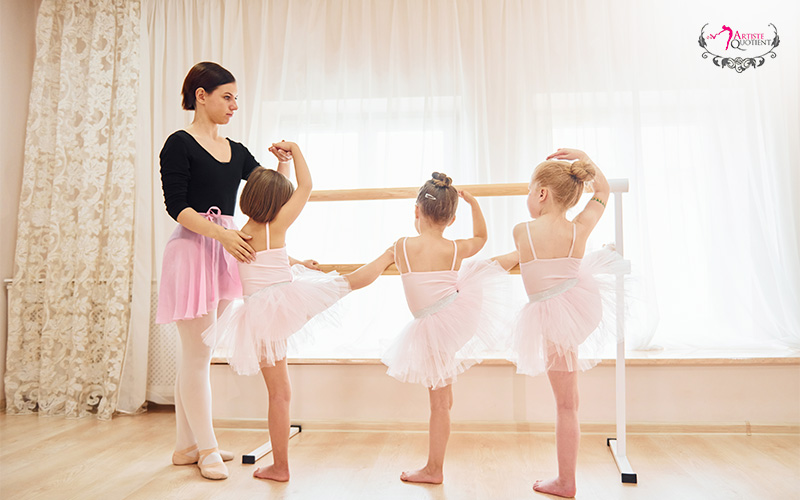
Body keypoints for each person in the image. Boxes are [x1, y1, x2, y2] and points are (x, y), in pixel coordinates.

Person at [157, 62, 313, 480]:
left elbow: (271, 194)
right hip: (194, 250)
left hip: (227, 250)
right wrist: (221, 235)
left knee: (200, 355)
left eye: (236, 98)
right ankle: (206, 448)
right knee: (197, 355)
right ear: (201, 96)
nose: (234, 105)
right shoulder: (179, 144)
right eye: (227, 97)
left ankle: (186, 446)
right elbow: (177, 206)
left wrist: (283, 163)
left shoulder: (237, 150)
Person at [202, 141, 394, 482]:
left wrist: (297, 261)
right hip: (285, 304)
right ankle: (388, 256)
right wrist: (295, 150)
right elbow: (306, 187)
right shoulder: (276, 226)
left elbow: (266, 254)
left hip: (260, 315)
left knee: (278, 393)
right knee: (346, 283)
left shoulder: (240, 234)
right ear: (279, 205)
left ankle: (280, 466)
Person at [492, 148, 626, 498]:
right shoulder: (579, 228)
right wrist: (584, 158)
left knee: (565, 404)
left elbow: (519, 258)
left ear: (541, 193)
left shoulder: (522, 231)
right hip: (580, 308)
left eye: (528, 190)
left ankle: (566, 482)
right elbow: (602, 191)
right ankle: (566, 478)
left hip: (552, 317)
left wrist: (478, 269)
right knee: (571, 403)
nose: (527, 197)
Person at [376, 172, 509, 484]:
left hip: (434, 325)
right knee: (443, 396)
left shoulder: (402, 247)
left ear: (416, 211)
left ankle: (434, 469)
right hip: (456, 318)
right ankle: (443, 418)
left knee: (438, 404)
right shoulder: (454, 248)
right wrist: (474, 204)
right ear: (452, 219)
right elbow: (481, 238)